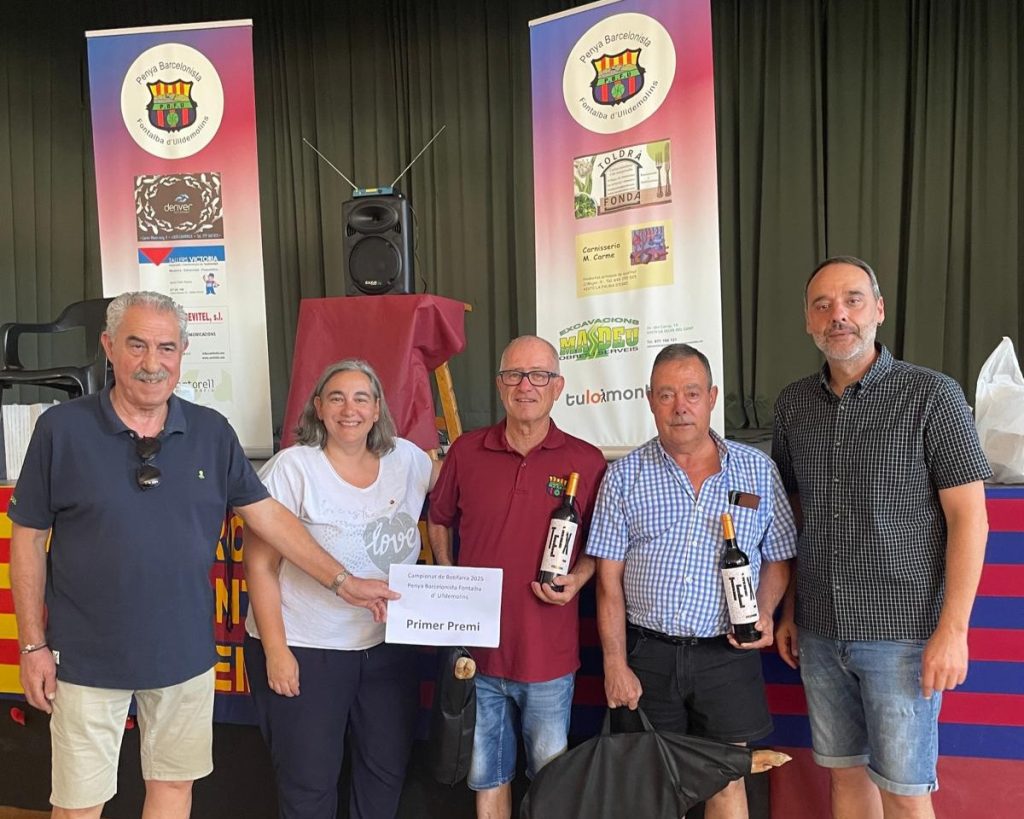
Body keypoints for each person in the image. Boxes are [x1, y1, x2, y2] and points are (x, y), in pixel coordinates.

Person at [8, 292, 393, 819]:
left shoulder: (211, 432)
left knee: (174, 789)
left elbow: (269, 517)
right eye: (137, 345)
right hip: (84, 658)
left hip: (185, 655)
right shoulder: (61, 429)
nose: (152, 362)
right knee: (79, 804)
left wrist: (344, 583)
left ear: (183, 352)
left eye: (166, 347)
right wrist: (32, 645)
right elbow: (28, 539)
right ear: (108, 347)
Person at [773, 256, 991, 819]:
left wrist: (954, 631)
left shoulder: (932, 396)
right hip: (820, 632)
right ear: (808, 320)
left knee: (905, 792)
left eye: (852, 300)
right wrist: (791, 610)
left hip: (904, 636)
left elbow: (970, 518)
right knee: (845, 779)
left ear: (879, 309)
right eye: (822, 305)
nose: (838, 315)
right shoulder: (793, 405)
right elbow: (796, 516)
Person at [587, 343, 797, 819]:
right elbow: (608, 584)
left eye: (692, 393)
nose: (679, 406)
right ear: (650, 401)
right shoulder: (624, 477)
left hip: (726, 655)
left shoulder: (756, 470)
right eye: (666, 395)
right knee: (649, 788)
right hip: (649, 657)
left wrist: (765, 612)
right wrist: (615, 664)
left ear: (712, 397)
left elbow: (780, 557)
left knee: (726, 780)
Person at [244, 359, 439, 819]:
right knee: (308, 784)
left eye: (361, 399)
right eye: (336, 398)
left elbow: (458, 492)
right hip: (308, 648)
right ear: (318, 407)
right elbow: (260, 565)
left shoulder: (409, 460)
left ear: (378, 409)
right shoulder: (292, 468)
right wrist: (276, 651)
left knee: (384, 775)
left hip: (387, 648)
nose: (349, 410)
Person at [427, 335, 607, 819]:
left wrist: (579, 578)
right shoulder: (466, 451)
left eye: (539, 376)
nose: (525, 386)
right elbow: (438, 518)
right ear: (499, 384)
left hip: (548, 658)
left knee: (551, 782)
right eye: (514, 375)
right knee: (486, 777)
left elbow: (603, 547)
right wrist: (447, 574)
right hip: (477, 656)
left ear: (558, 387)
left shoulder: (587, 461)